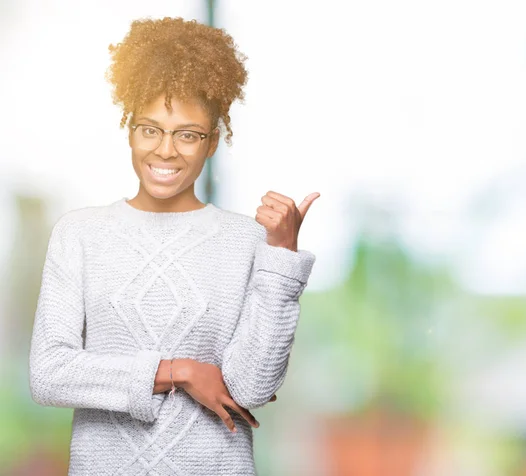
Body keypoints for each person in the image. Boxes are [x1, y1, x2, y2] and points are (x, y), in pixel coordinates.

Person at [28, 16, 319, 475]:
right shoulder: (79, 233)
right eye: (150, 129)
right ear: (130, 130)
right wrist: (177, 371)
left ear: (213, 142)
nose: (166, 150)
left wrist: (280, 257)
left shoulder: (245, 241)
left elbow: (252, 386)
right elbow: (50, 373)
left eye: (187, 134)